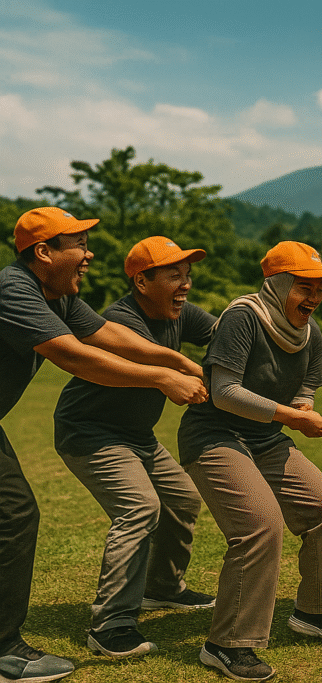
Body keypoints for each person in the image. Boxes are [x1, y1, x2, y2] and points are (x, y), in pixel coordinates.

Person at [0, 208, 207, 682]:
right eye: (80, 245)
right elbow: (76, 356)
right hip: (91, 434)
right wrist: (163, 378)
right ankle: (7, 650)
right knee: (15, 514)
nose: (89, 255)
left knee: (13, 514)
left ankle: (159, 588)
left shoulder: (58, 296)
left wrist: (179, 362)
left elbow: (107, 336)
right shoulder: (15, 289)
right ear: (44, 252)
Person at [177, 241, 322, 682]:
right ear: (277, 285)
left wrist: (305, 407)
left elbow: (305, 389)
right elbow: (224, 392)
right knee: (261, 523)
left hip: (265, 439)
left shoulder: (311, 334)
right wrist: (293, 416)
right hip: (214, 434)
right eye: (304, 286)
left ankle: (316, 612)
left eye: (320, 289)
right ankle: (228, 644)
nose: (314, 298)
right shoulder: (243, 318)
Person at [52, 236, 218, 659]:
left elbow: (225, 336)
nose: (185, 284)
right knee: (140, 507)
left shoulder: (180, 313)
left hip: (137, 435)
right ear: (142, 282)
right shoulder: (120, 318)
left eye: (187, 274)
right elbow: (151, 365)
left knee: (181, 500)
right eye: (174, 275)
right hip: (89, 430)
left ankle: (162, 587)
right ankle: (111, 624)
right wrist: (177, 370)